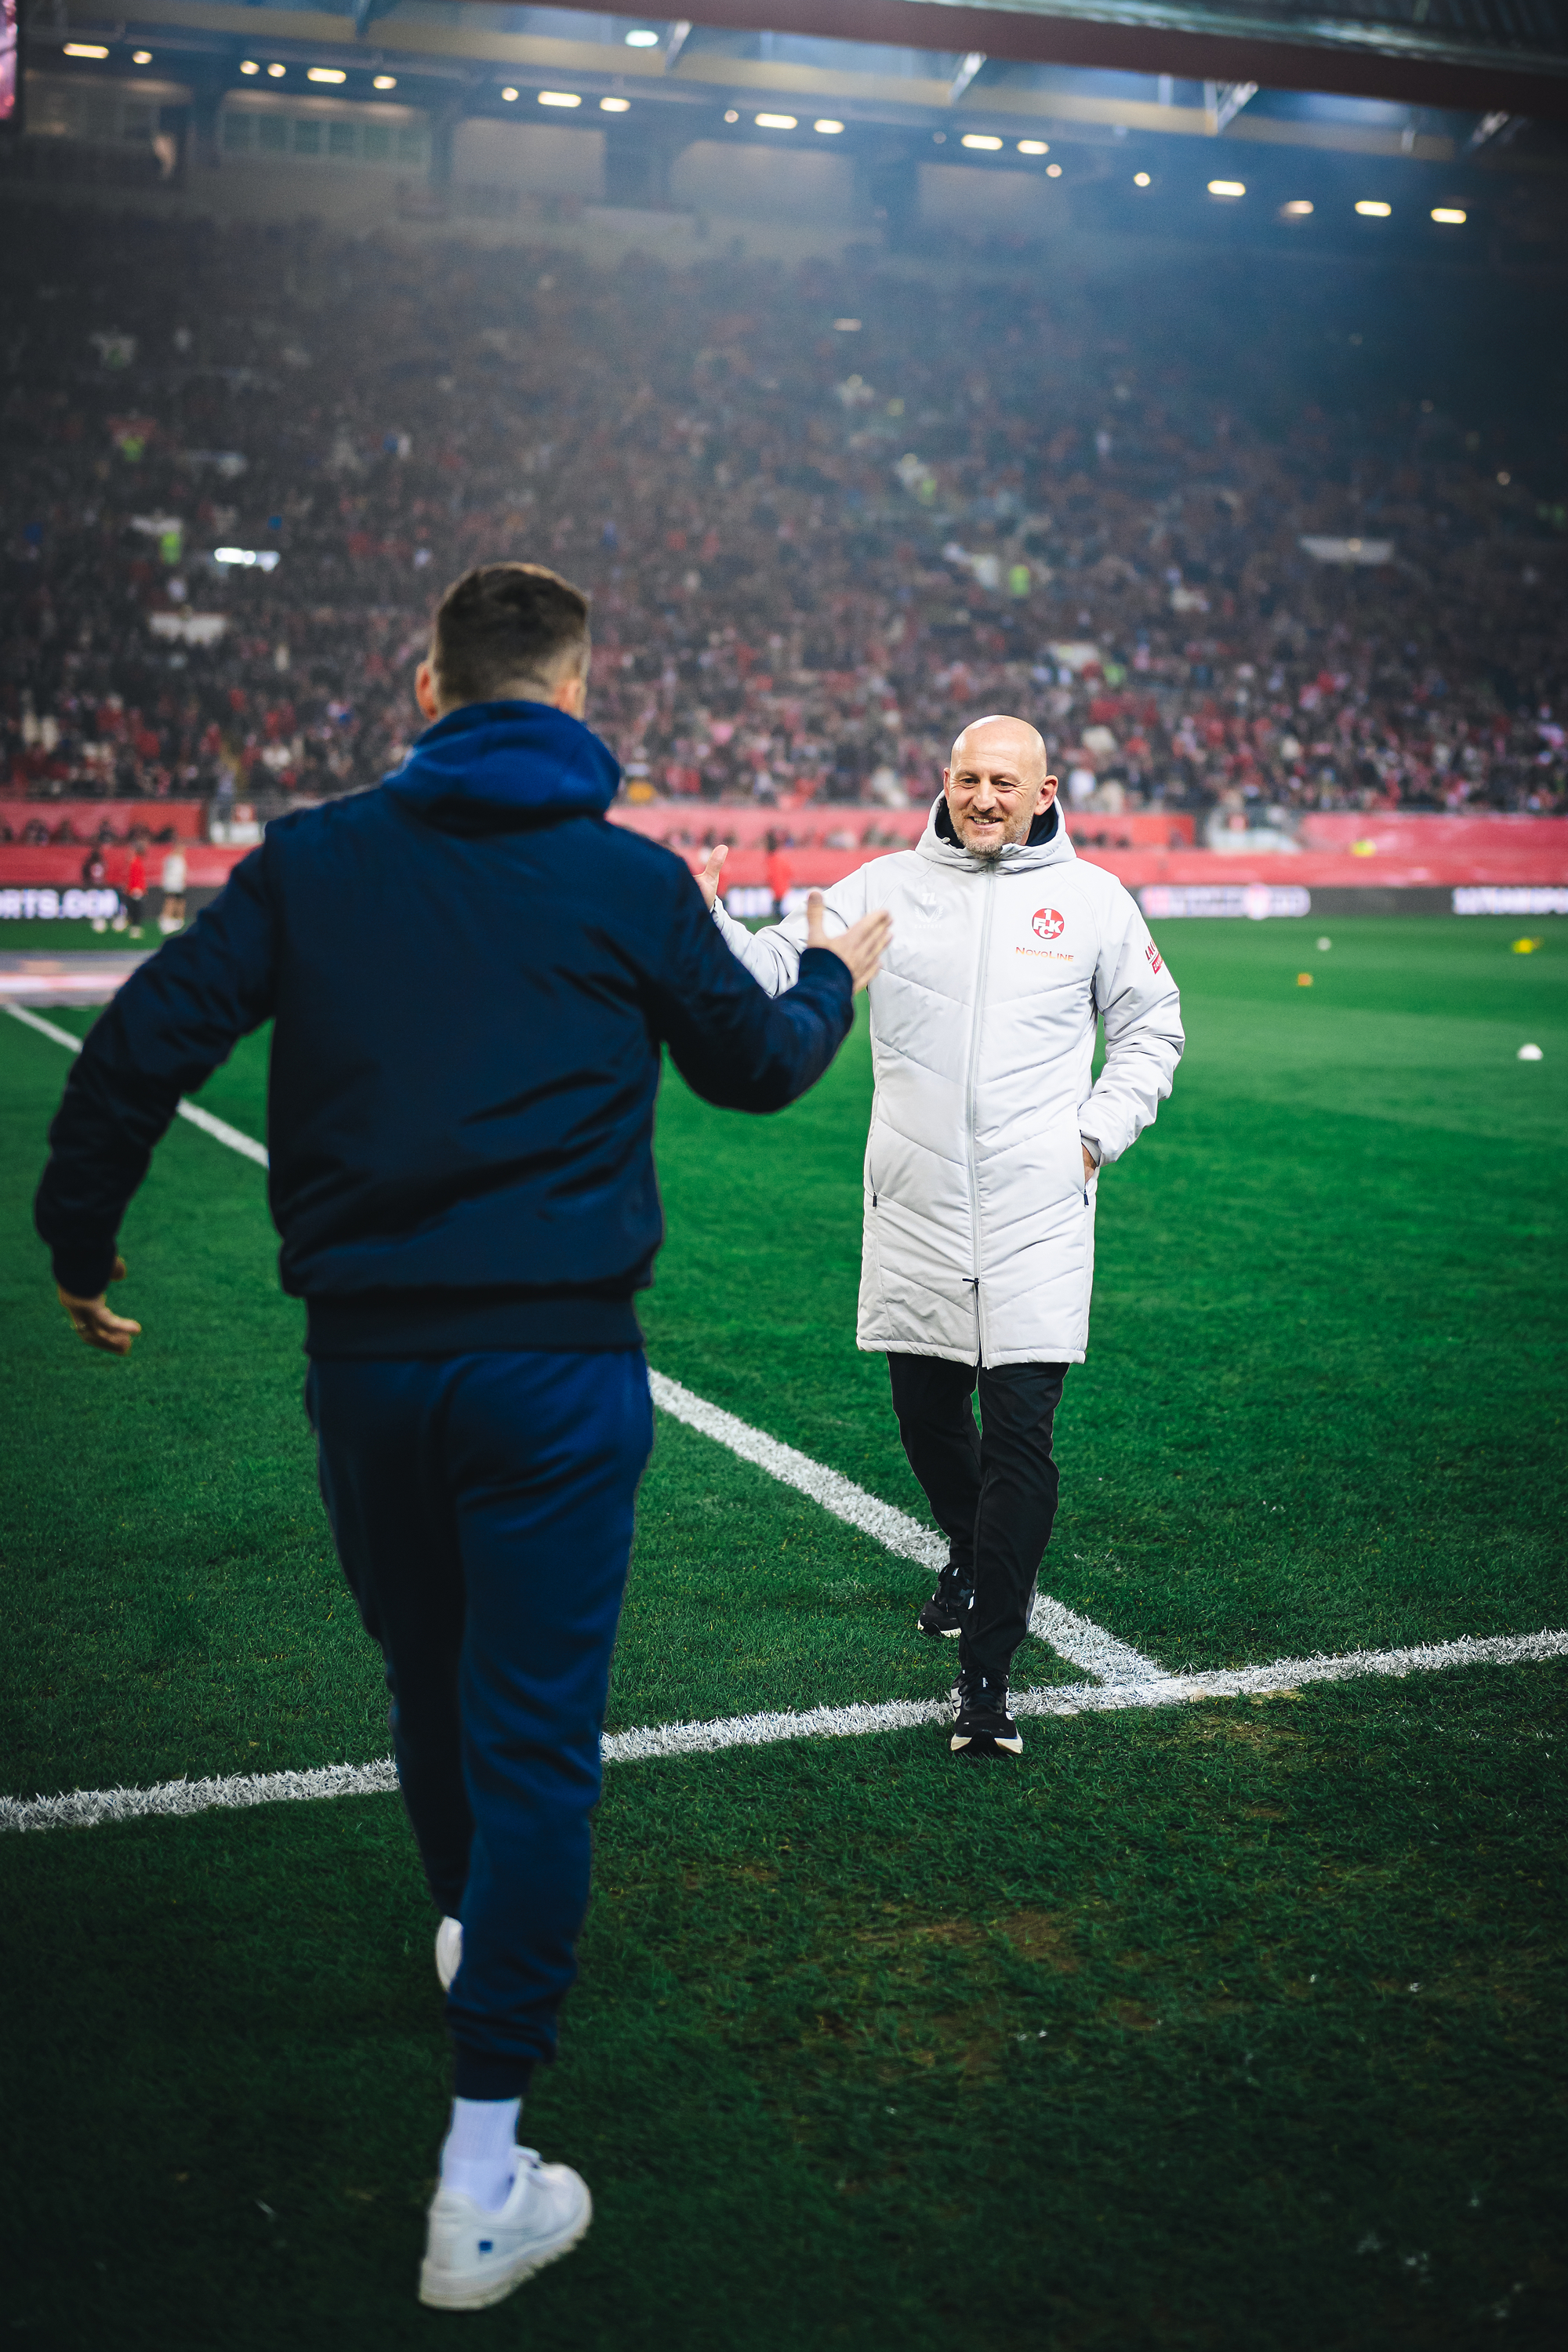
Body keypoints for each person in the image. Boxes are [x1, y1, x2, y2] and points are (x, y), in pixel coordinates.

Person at [32, 561, 891, 2312]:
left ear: (424, 691)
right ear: (577, 700)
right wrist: (826, 971)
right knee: (536, 1739)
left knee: (431, 1687)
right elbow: (760, 1069)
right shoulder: (627, 876)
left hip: (369, 1370)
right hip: (556, 1375)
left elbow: (143, 1039)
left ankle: (460, 1926)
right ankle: (480, 2180)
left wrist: (77, 1232)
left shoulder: (317, 859)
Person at [700, 714, 1183, 1760]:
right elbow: (776, 966)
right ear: (946, 783)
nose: (986, 797)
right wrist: (706, 918)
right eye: (970, 778)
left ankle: (987, 1677)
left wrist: (1094, 1137)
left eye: (1006, 781)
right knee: (926, 1415)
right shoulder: (884, 886)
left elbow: (1153, 1025)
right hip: (915, 1204)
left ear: (1046, 790)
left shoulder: (1093, 901)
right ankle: (967, 1549)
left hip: (1038, 1209)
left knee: (1019, 1435)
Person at [158, 844, 187, 932]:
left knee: (180, 902)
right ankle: (165, 921)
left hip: (179, 885)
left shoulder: (180, 860)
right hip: (172, 885)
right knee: (170, 902)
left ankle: (178, 921)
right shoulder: (171, 859)